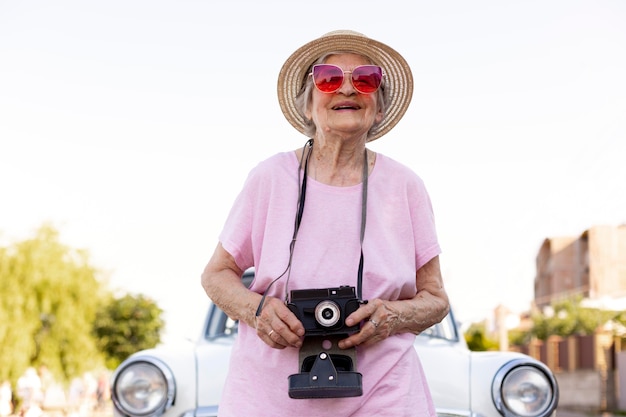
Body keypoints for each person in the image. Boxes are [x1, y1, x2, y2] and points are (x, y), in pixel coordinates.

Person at [201, 30, 449, 416]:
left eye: (365, 79)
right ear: (308, 105)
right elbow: (216, 275)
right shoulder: (269, 178)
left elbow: (436, 299)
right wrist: (258, 311)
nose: (347, 89)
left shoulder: (406, 186)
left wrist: (392, 316)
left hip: (385, 394)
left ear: (379, 108)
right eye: (329, 78)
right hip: (267, 396)